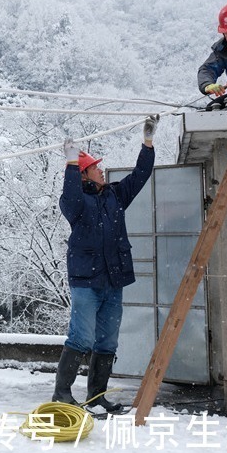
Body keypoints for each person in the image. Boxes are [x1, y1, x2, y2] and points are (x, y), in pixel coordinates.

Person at [52, 116, 158, 413]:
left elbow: (140, 175)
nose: (101, 170)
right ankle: (62, 395)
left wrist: (147, 144)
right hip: (86, 282)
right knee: (81, 336)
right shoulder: (73, 203)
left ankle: (97, 397)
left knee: (108, 341)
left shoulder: (114, 195)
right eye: (96, 168)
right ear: (85, 175)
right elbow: (70, 194)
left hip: (113, 281)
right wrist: (72, 164)